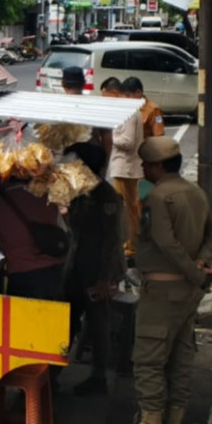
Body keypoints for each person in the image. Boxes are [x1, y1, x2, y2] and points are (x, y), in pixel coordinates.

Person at [111, 137, 212, 424]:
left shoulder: (158, 198)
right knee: (181, 356)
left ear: (159, 166)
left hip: (162, 292)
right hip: (187, 294)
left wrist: (195, 271)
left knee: (148, 360)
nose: (143, 168)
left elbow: (166, 243)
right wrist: (203, 264)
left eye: (146, 164)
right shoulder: (195, 192)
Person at [63, 142, 125, 397]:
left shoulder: (107, 196)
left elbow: (111, 240)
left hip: (98, 270)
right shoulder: (78, 192)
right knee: (67, 319)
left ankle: (99, 377)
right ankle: (54, 370)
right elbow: (73, 226)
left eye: (77, 164)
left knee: (98, 322)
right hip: (76, 265)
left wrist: (104, 279)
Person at [0, 176, 67, 301]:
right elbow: (62, 231)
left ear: (5, 179)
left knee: (23, 319)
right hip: (55, 276)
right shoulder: (47, 199)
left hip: (23, 277)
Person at [104, 77, 144, 258]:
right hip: (122, 166)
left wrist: (109, 137)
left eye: (106, 96)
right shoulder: (126, 110)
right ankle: (131, 244)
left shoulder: (128, 112)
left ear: (114, 93)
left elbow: (127, 141)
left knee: (127, 210)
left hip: (126, 167)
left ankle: (131, 246)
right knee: (129, 209)